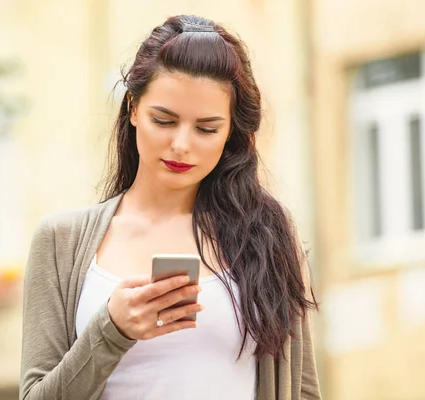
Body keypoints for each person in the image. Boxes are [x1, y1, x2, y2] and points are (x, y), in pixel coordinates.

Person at [20, 14, 321, 400]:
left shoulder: (266, 232)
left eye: (206, 128)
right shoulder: (60, 242)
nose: (182, 144)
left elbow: (304, 389)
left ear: (231, 132)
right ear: (131, 108)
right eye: (164, 120)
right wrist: (112, 330)